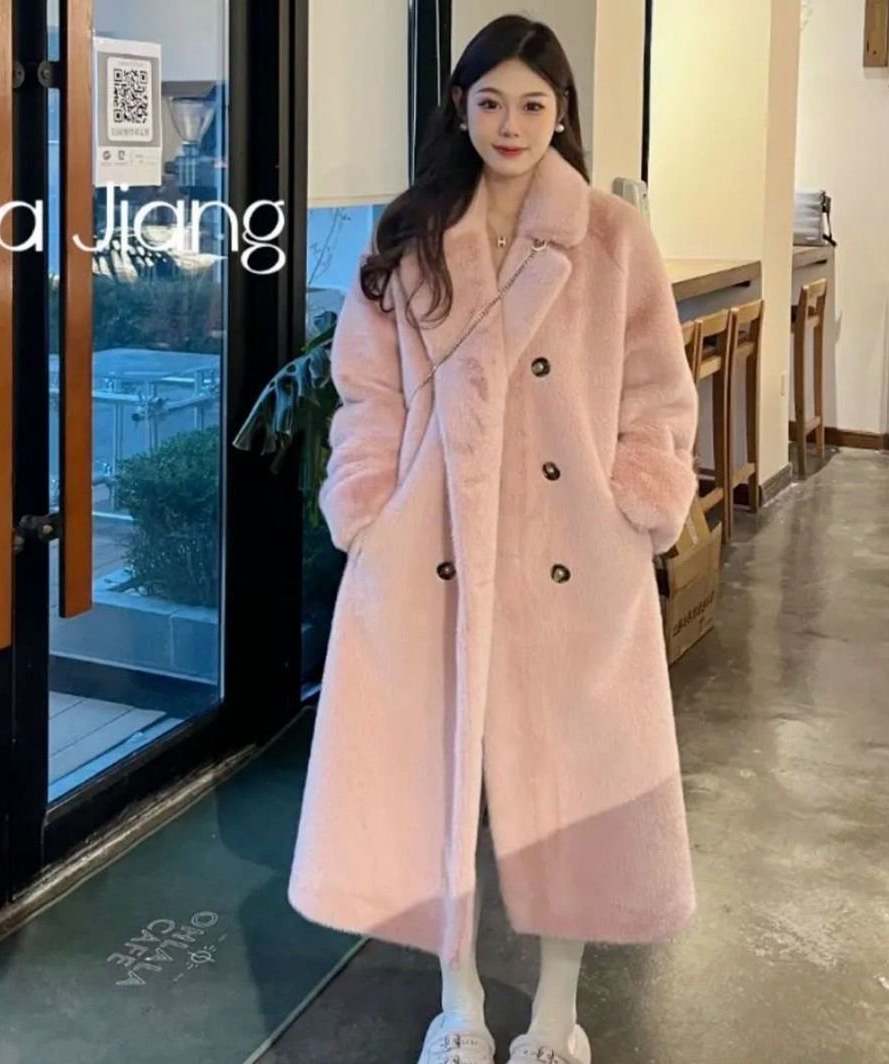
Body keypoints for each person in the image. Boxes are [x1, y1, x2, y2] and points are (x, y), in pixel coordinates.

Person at [287, 15, 699, 1064]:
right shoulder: (411, 233)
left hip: (574, 551)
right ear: (459, 109)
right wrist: (365, 503)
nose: (509, 125)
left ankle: (557, 1010)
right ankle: (458, 1000)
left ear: (561, 115)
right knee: (437, 772)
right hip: (430, 545)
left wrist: (637, 498)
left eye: (531, 104)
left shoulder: (611, 236)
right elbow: (368, 390)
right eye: (489, 102)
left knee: (575, 780)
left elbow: (656, 391)